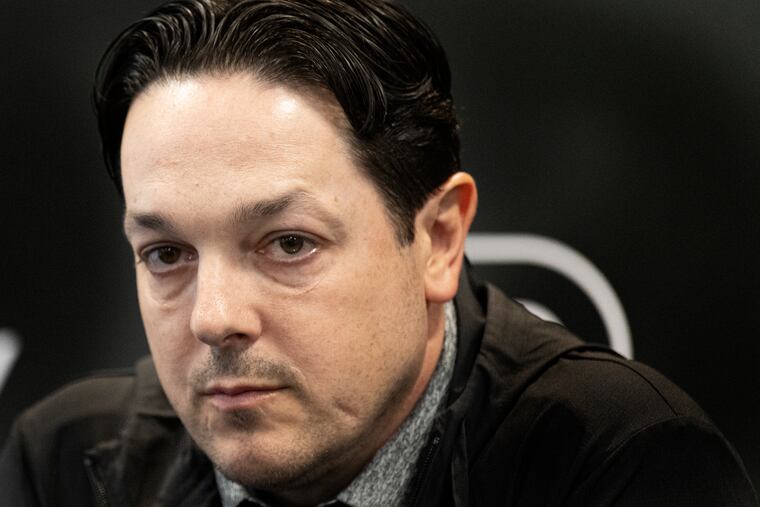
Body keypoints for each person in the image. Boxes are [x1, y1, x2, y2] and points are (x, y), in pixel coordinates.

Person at [1, 0, 757, 505]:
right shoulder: (65, 459)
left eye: (288, 244)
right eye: (167, 253)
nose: (214, 318)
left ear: (439, 239)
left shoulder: (619, 464)